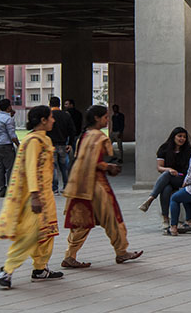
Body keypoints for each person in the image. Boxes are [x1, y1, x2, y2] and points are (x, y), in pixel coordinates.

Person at [60, 104, 143, 268]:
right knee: (111, 216)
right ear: (97, 118)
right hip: (95, 185)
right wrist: (108, 167)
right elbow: (93, 162)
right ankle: (121, 251)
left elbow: (82, 160)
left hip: (79, 185)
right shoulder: (98, 137)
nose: (107, 120)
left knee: (83, 221)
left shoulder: (84, 135)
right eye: (105, 117)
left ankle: (70, 255)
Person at [0, 104, 63, 289]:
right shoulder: (33, 141)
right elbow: (31, 169)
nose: (53, 120)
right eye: (51, 117)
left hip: (46, 196)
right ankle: (7, 270)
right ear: (43, 120)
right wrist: (34, 196)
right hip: (35, 196)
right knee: (29, 235)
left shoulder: (44, 140)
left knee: (47, 233)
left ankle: (40, 269)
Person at [138, 126, 191, 227]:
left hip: (182, 179)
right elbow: (159, 167)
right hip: (169, 178)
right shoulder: (164, 149)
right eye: (179, 136)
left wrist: (176, 173)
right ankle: (166, 219)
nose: (182, 139)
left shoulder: (188, 151)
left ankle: (150, 199)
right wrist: (170, 169)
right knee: (166, 188)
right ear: (173, 137)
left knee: (166, 176)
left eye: (184, 137)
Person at [48, 96, 76, 192]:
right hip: (63, 144)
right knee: (65, 167)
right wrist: (71, 143)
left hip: (51, 145)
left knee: (53, 167)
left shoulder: (48, 116)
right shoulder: (66, 115)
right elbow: (72, 130)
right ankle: (66, 186)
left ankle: (54, 188)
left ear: (50, 104)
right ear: (59, 104)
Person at [0, 98, 19, 198]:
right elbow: (12, 135)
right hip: (7, 145)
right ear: (9, 107)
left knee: (1, 168)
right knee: (10, 168)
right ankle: (10, 189)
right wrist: (18, 144)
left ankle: (2, 188)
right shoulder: (8, 119)